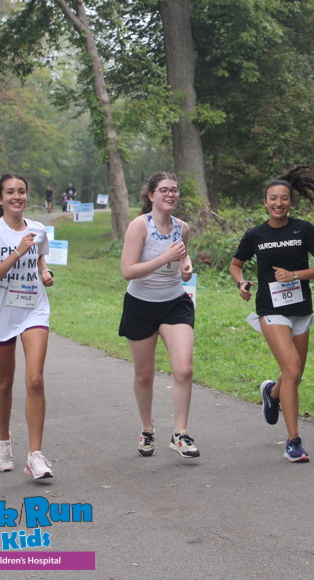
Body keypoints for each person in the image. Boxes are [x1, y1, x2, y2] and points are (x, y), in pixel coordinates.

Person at [229, 165, 314, 463]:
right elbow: (235, 265)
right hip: (270, 309)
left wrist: (295, 274)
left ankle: (272, 393)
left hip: (300, 309)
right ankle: (293, 441)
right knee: (291, 370)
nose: (278, 203)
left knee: (294, 375)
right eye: (273, 198)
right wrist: (241, 283)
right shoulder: (255, 234)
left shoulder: (305, 230)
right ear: (265, 202)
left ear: (290, 202)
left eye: (284, 198)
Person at [0, 174, 56, 480]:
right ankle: (4, 439)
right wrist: (18, 251)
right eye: (10, 192)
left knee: (35, 380)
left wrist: (45, 271)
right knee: (5, 382)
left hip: (33, 309)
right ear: (1, 199)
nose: (17, 196)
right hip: (0, 313)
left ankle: (35, 455)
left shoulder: (37, 229)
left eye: (21, 191)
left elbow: (40, 259)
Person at [119, 172, 198, 459]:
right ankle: (147, 428)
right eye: (164, 190)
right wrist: (164, 258)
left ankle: (180, 433)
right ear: (151, 195)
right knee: (144, 375)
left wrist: (186, 266)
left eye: (174, 190)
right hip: (140, 305)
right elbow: (128, 271)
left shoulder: (182, 227)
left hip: (174, 302)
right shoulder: (140, 226)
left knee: (184, 369)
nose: (170, 194)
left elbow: (183, 254)